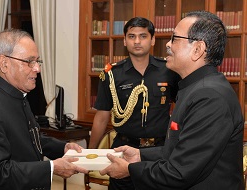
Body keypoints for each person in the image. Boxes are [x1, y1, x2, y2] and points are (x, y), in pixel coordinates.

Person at [100, 10, 244, 190]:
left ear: (197, 49)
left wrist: (130, 169)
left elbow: (179, 172)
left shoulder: (209, 97)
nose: (168, 44)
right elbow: (182, 149)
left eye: (175, 39)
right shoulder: (195, 87)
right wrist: (140, 155)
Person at [0, 29, 88, 190]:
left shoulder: (16, 94)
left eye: (38, 61)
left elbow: (28, 136)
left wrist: (62, 148)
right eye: (29, 61)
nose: (37, 68)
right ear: (4, 63)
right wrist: (51, 168)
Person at [89, 17, 180, 189]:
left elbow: (181, 109)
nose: (137, 41)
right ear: (124, 40)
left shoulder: (168, 71)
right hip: (123, 150)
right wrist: (91, 152)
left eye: (143, 36)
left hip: (158, 152)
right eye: (131, 36)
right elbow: (101, 117)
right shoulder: (112, 74)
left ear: (152, 40)